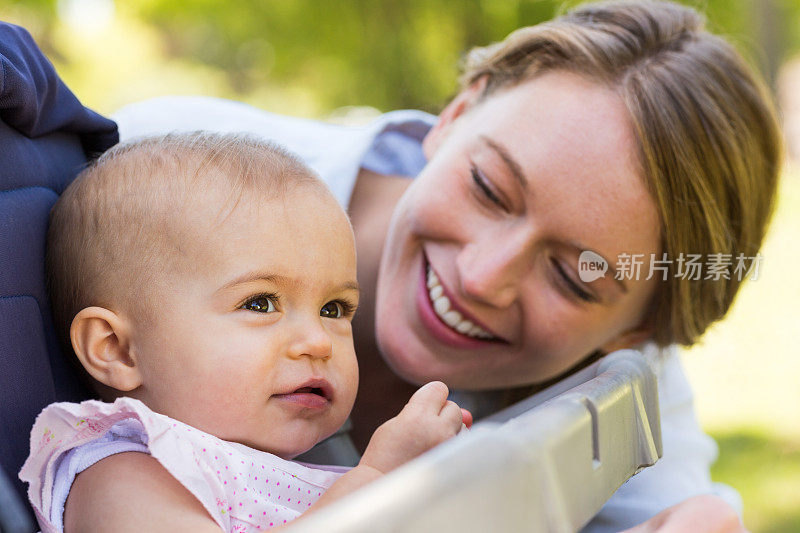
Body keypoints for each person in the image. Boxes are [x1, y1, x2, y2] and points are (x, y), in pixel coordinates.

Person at [111, 0, 782, 530]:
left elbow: (698, 512)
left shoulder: (622, 374)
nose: (484, 276)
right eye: (490, 188)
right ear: (457, 111)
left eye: (574, 278)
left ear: (636, 330)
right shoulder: (151, 184)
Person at [19, 132, 470, 533]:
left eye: (334, 308)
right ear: (118, 350)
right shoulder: (121, 475)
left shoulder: (281, 467)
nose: (317, 342)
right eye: (259, 303)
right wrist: (378, 480)